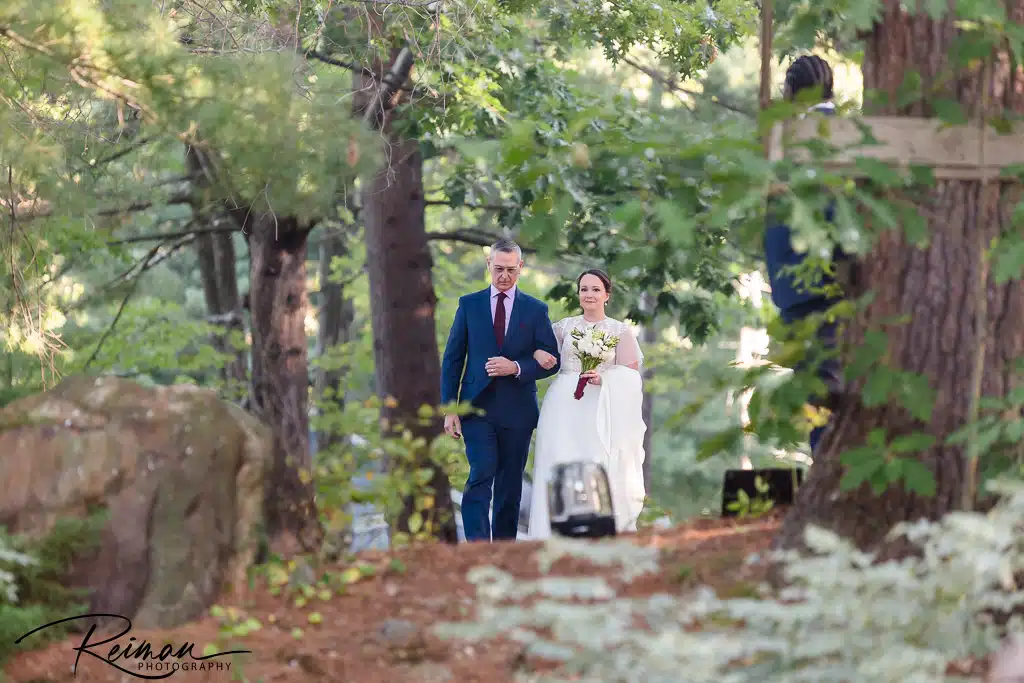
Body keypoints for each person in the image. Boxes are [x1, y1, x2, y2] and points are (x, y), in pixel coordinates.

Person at [440, 238, 561, 542]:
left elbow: (551, 360)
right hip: (475, 408)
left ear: (521, 267)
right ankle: (479, 546)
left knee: (510, 484)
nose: (504, 276)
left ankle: (504, 549)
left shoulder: (535, 310)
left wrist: (517, 367)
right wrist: (450, 409)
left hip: (518, 410)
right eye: (498, 269)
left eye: (511, 270)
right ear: (488, 265)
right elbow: (453, 358)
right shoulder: (469, 304)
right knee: (481, 471)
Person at [527, 269, 648, 538]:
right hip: (562, 405)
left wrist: (604, 380)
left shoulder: (620, 331)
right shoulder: (563, 328)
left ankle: (597, 532)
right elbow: (537, 350)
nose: (589, 294)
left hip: (599, 408)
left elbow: (631, 377)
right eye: (584, 289)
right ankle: (548, 533)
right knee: (557, 460)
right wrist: (536, 351)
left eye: (595, 289)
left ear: (607, 294)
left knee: (595, 464)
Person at [764, 54, 845, 454]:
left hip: (815, 285)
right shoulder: (840, 132)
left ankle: (830, 474)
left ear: (790, 92)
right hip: (822, 282)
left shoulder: (802, 138)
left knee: (821, 392)